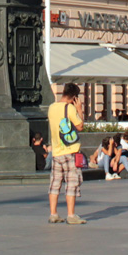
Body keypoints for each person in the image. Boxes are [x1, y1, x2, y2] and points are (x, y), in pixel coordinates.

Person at [48, 83, 87, 223]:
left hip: (56, 151)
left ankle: (53, 214)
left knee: (55, 183)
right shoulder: (70, 108)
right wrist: (79, 109)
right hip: (70, 151)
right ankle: (71, 215)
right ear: (74, 97)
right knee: (71, 183)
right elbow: (80, 126)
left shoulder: (51, 107)